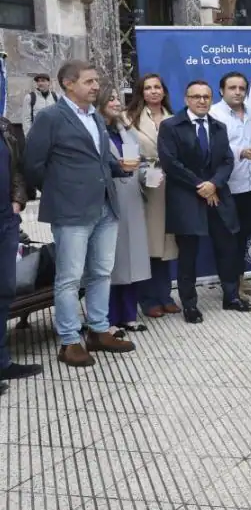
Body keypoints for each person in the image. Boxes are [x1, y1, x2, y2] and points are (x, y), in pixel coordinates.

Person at [24, 60, 139, 367]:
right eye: (89, 82)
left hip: (105, 204)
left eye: (96, 82)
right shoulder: (51, 117)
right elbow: (33, 164)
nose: (95, 87)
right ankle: (69, 340)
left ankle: (98, 330)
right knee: (69, 277)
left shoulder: (96, 118)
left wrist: (120, 169)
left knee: (101, 271)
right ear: (68, 84)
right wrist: (60, 193)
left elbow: (99, 160)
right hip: (71, 210)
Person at [158, 80, 251, 322]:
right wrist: (201, 185)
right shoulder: (171, 126)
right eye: (196, 96)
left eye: (206, 97)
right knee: (188, 254)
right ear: (186, 99)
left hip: (217, 196)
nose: (202, 101)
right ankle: (190, 305)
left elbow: (227, 161)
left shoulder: (219, 127)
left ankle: (231, 297)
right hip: (187, 198)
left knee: (227, 248)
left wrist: (214, 184)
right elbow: (170, 163)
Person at [125, 73, 180, 317]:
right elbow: (125, 153)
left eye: (158, 87)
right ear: (141, 92)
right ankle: (148, 299)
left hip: (172, 185)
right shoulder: (129, 119)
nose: (154, 91)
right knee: (148, 244)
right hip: (144, 185)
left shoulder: (175, 118)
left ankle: (165, 294)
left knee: (167, 243)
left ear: (164, 91)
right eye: (148, 88)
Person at [99, 83, 151, 333]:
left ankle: (129, 315)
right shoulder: (96, 131)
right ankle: (107, 320)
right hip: (108, 199)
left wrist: (148, 176)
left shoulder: (125, 132)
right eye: (110, 100)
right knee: (109, 260)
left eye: (118, 99)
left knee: (131, 259)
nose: (117, 104)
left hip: (131, 198)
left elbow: (137, 164)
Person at [209, 71, 251, 297]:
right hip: (228, 185)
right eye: (232, 88)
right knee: (227, 239)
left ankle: (240, 280)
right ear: (222, 90)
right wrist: (240, 151)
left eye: (242, 88)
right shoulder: (214, 113)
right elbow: (212, 148)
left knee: (244, 235)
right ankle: (229, 286)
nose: (238, 92)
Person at [0, 111, 40, 385]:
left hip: (5, 219)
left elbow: (15, 169)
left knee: (4, 290)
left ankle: (2, 362)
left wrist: (17, 201)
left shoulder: (4, 126)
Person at [22, 73, 58, 138]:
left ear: (49, 82)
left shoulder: (56, 97)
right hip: (37, 136)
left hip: (53, 136)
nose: (40, 83)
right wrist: (29, 137)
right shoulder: (30, 97)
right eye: (38, 81)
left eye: (43, 81)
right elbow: (26, 119)